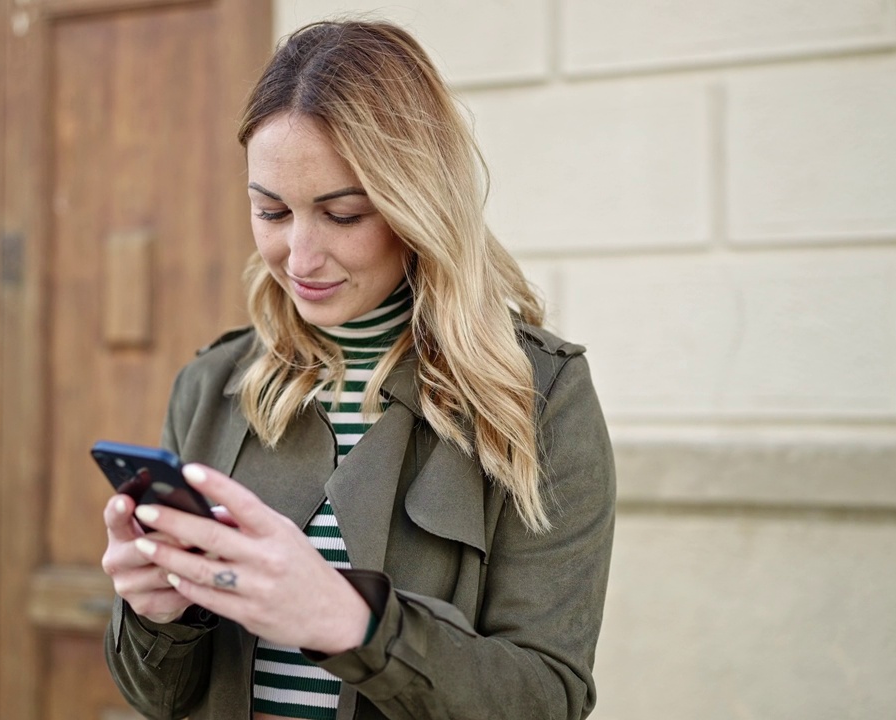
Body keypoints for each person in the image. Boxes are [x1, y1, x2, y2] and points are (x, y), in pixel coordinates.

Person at [100, 19, 615, 720]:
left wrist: (353, 621)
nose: (300, 257)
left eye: (342, 214)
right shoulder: (211, 384)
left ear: (418, 205)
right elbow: (159, 698)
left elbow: (546, 700)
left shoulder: (540, 397)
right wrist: (158, 616)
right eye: (271, 211)